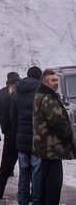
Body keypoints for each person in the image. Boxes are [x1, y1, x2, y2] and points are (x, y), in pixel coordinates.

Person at [33, 69, 76, 205]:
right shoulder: (48, 99)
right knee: (53, 184)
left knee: (45, 181)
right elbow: (58, 122)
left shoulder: (41, 95)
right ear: (46, 82)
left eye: (57, 80)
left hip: (46, 147)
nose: (56, 83)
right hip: (52, 148)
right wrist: (70, 136)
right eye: (53, 80)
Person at [11, 66, 43, 204]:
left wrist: (17, 131)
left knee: (24, 171)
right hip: (38, 139)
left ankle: (22, 200)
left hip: (22, 138)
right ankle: (36, 200)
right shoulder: (42, 92)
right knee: (37, 173)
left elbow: (12, 116)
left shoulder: (18, 91)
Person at [0, 72, 21, 199]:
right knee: (27, 166)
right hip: (27, 134)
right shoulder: (29, 93)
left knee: (6, 163)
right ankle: (28, 193)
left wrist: (5, 129)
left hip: (11, 134)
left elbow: (3, 115)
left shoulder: (3, 94)